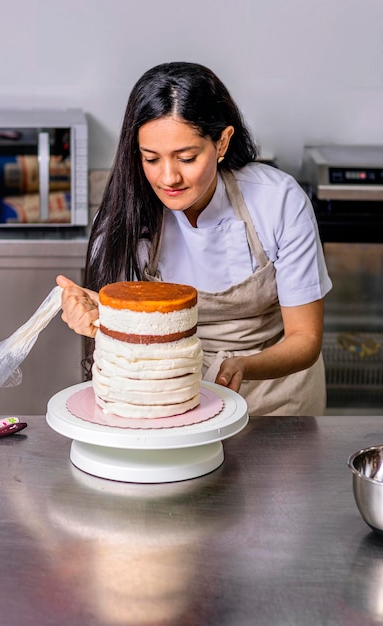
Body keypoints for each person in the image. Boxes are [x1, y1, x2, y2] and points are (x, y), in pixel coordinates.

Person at [57, 61, 332, 416]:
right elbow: (130, 343)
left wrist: (244, 366)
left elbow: (305, 339)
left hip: (277, 396)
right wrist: (100, 316)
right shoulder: (122, 220)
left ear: (222, 142)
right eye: (151, 159)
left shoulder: (277, 201)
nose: (168, 177)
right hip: (171, 398)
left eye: (186, 158)